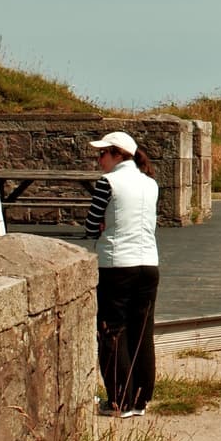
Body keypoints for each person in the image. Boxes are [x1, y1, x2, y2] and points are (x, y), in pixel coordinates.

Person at [83, 130, 160, 417]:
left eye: (102, 153)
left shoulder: (107, 183)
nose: (99, 158)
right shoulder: (150, 184)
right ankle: (140, 398)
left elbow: (91, 225)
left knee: (112, 330)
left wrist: (102, 227)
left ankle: (119, 399)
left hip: (116, 265)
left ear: (117, 155)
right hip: (148, 264)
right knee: (142, 332)